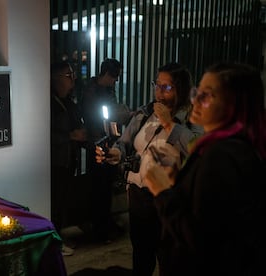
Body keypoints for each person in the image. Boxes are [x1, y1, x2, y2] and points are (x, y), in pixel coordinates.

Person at [143, 62, 266, 276]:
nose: (196, 100)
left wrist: (163, 192)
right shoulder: (235, 148)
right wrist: (179, 183)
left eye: (207, 95)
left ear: (233, 104)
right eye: (197, 92)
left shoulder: (221, 155)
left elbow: (200, 239)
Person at [96, 62, 203, 275]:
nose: (160, 92)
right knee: (141, 256)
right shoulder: (145, 113)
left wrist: (169, 123)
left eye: (167, 87)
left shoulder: (191, 119)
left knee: (170, 258)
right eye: (157, 85)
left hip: (169, 198)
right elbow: (125, 143)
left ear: (181, 89)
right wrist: (114, 153)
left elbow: (197, 152)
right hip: (138, 194)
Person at [80, 58, 133, 243]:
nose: (116, 81)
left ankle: (105, 223)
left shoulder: (108, 90)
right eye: (115, 77)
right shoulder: (90, 92)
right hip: (97, 144)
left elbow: (111, 116)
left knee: (106, 186)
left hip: (110, 141)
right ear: (107, 74)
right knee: (98, 189)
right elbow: (95, 118)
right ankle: (99, 229)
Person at [51, 60, 87, 256]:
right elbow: (45, 134)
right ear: (55, 78)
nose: (73, 79)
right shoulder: (49, 103)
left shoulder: (67, 101)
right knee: (55, 203)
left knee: (62, 202)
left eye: (73, 74)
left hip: (68, 159)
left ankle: (58, 237)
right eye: (68, 75)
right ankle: (54, 243)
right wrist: (71, 136)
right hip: (55, 162)